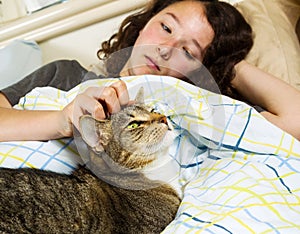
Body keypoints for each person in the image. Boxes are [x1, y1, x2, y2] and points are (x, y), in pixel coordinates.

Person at [0, 0, 300, 142]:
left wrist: (226, 64)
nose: (166, 48)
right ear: (144, 25)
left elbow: (295, 122)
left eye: (187, 51)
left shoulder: (199, 114)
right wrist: (61, 120)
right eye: (166, 27)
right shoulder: (67, 75)